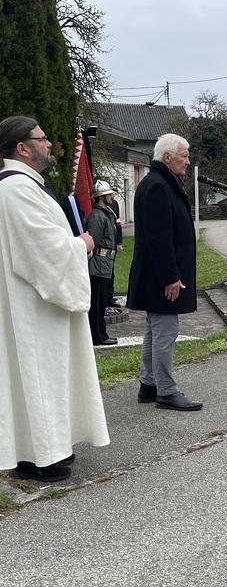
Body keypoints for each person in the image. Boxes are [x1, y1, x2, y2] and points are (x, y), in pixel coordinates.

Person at [0, 115, 109, 482]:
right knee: (38, 375)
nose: (48, 144)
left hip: (41, 303)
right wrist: (82, 244)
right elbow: (41, 250)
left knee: (48, 376)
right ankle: (39, 457)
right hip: (31, 307)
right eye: (41, 138)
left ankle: (49, 449)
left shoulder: (27, 185)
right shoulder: (15, 189)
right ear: (22, 147)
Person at [127, 133, 203, 411]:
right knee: (165, 332)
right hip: (162, 277)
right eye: (184, 156)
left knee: (154, 330)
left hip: (156, 275)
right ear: (167, 157)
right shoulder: (158, 185)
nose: (188, 161)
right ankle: (166, 391)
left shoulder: (160, 182)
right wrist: (171, 277)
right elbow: (159, 239)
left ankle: (148, 384)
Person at [86, 180, 118, 346]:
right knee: (97, 303)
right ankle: (98, 336)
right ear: (101, 197)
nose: (112, 196)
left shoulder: (106, 213)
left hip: (104, 265)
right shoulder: (98, 216)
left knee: (101, 302)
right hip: (98, 265)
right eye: (109, 194)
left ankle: (100, 334)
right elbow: (92, 241)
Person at [106, 195, 123, 307]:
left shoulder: (115, 204)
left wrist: (119, 242)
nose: (111, 196)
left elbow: (118, 223)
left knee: (111, 271)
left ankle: (110, 296)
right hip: (105, 242)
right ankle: (105, 297)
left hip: (113, 242)